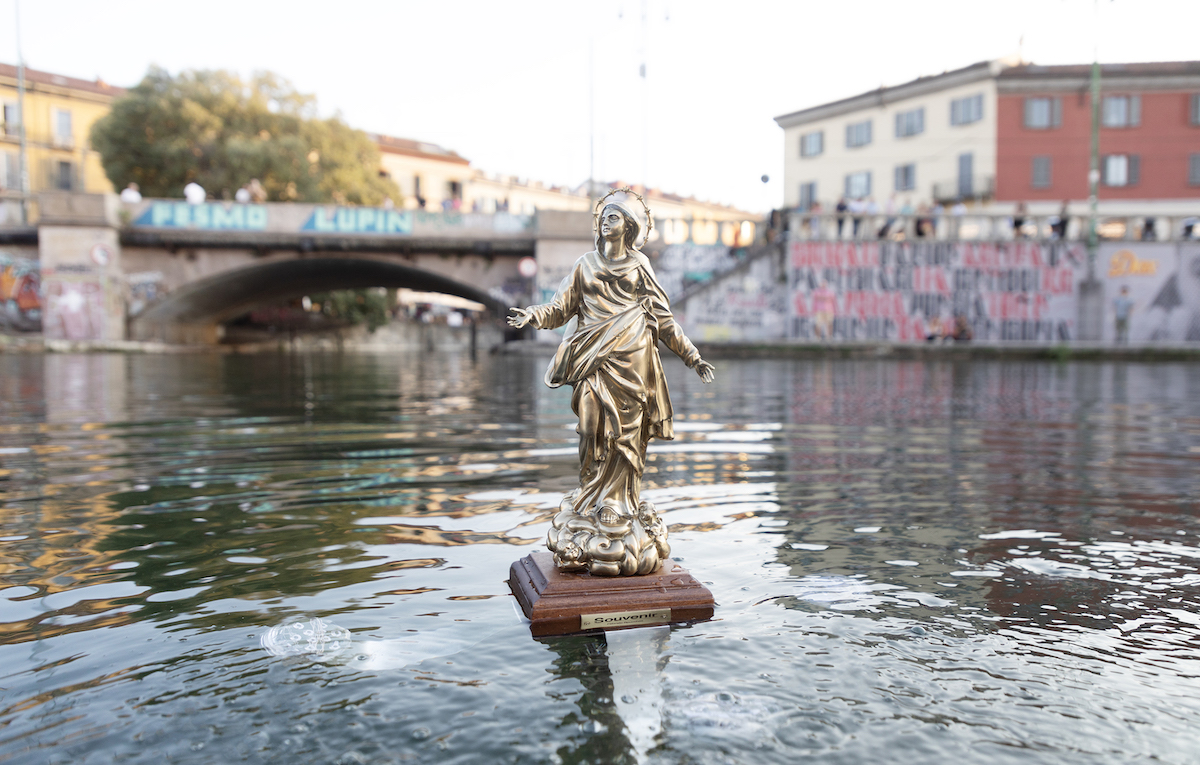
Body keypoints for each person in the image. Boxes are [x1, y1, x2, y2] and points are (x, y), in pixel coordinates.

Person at [508, 189, 714, 576]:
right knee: (589, 427)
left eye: (615, 217)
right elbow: (559, 309)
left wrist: (692, 356)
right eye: (604, 216)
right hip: (592, 358)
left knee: (628, 437)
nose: (606, 221)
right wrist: (533, 316)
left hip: (633, 362)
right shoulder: (585, 265)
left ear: (630, 226)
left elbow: (665, 321)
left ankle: (620, 503)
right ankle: (591, 498)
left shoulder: (639, 267)